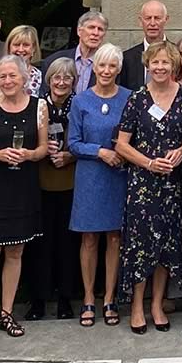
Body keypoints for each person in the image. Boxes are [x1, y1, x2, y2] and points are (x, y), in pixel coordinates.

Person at [114, 41, 182, 333]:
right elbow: (121, 144)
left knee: (166, 247)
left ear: (174, 66)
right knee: (141, 246)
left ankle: (157, 304)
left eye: (165, 63)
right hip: (144, 184)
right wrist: (148, 163)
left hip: (175, 184)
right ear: (148, 65)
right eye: (155, 63)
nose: (160, 68)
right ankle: (136, 305)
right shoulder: (137, 98)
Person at [0, 55, 48, 341]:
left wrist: (28, 155)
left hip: (23, 186)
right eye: (3, 76)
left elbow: (42, 150)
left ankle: (7, 312)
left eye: (13, 75)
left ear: (25, 77)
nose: (8, 80)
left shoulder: (39, 106)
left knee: (16, 251)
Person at [69, 44, 131, 327]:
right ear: (94, 68)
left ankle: (109, 297)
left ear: (119, 69)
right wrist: (100, 151)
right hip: (91, 175)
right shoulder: (80, 101)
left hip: (119, 175)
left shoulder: (130, 98)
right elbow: (73, 142)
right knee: (90, 238)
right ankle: (88, 298)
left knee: (115, 237)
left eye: (112, 66)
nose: (106, 71)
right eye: (102, 66)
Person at [26, 57, 81, 321]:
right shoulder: (37, 106)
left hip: (70, 182)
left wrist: (69, 154)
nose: (61, 82)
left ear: (74, 82)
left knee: (67, 244)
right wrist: (41, 149)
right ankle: (38, 299)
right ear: (48, 80)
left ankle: (65, 299)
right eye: (56, 77)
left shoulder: (78, 106)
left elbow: (86, 138)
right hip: (39, 182)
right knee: (40, 244)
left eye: (67, 78)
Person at [52, 9, 110, 91]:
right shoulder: (55, 59)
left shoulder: (109, 66)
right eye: (91, 27)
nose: (96, 33)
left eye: (100, 29)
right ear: (79, 31)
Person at [120, 2, 165, 89]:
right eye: (148, 18)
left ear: (166, 20)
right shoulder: (127, 58)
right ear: (141, 21)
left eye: (157, 18)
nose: (152, 23)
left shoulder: (177, 53)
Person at [6, 24, 45, 96]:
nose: (20, 50)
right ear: (9, 47)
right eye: (16, 45)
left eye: (26, 45)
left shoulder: (39, 75)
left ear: (33, 48)